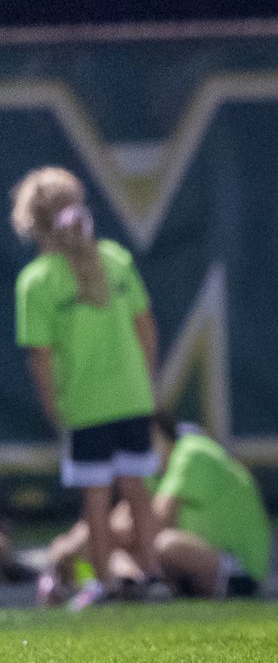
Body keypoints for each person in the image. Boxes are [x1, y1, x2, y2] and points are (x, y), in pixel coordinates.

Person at [11, 166, 164, 610]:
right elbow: (146, 327)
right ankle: (152, 574)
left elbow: (40, 358)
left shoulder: (35, 281)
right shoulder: (115, 257)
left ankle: (106, 584)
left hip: (84, 406)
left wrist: (52, 406)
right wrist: (145, 381)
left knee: (96, 499)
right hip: (133, 397)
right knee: (137, 488)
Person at [37, 411, 270, 602]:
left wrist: (80, 543)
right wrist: (74, 541)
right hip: (196, 565)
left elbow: (150, 525)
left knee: (162, 543)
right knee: (119, 551)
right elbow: (121, 521)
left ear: (155, 431)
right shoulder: (150, 473)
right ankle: (129, 586)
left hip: (240, 571)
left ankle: (130, 585)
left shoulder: (193, 453)